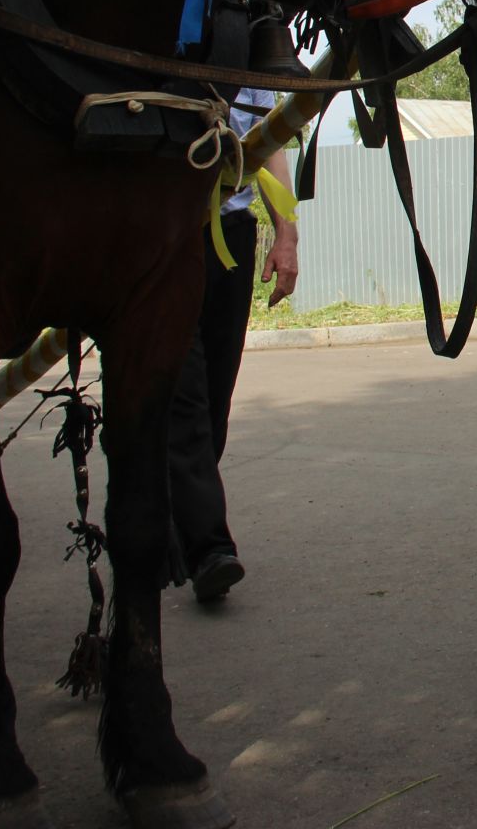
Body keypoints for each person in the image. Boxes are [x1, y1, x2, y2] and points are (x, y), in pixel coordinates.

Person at [167, 86, 298, 602]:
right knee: (186, 398)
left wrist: (286, 237)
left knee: (215, 398)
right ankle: (208, 549)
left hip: (231, 236)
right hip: (166, 235)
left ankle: (180, 519)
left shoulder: (248, 44)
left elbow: (273, 139)